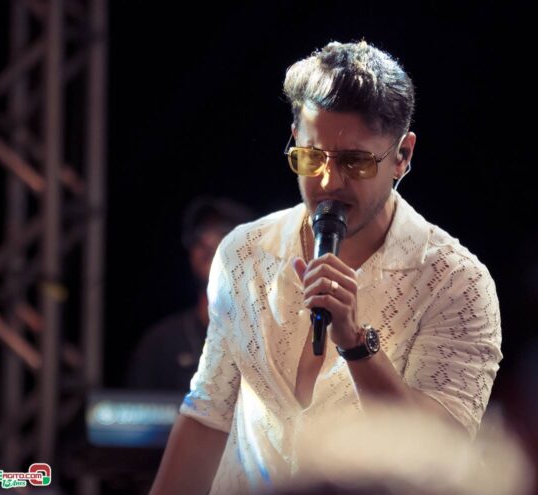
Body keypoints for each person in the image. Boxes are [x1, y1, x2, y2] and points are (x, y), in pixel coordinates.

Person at [150, 40, 503, 495]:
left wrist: (356, 345)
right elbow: (208, 414)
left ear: (402, 155)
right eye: (312, 157)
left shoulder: (456, 283)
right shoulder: (244, 253)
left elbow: (440, 456)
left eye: (355, 162)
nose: (328, 182)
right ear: (294, 138)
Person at [127, 197, 254, 390]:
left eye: (223, 232)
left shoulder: (271, 339)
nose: (207, 241)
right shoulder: (160, 343)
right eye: (200, 232)